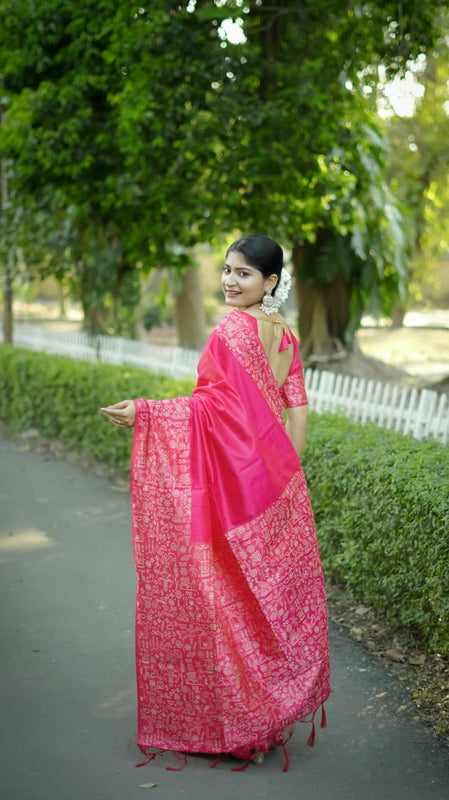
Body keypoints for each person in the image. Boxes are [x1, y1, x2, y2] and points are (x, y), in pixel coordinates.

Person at [101, 235, 330, 771]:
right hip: (273, 488)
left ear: (271, 282)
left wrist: (147, 413)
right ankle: (264, 716)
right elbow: (297, 413)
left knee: (220, 599)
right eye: (227, 270)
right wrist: (285, 479)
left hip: (231, 486)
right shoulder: (283, 333)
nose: (230, 280)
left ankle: (237, 724)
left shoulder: (231, 330)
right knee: (259, 605)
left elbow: (213, 408)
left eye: (244, 274)